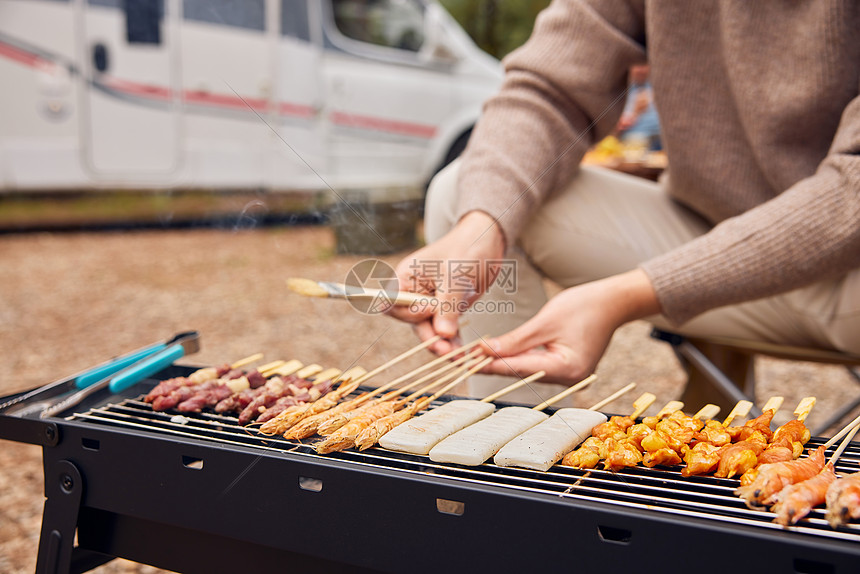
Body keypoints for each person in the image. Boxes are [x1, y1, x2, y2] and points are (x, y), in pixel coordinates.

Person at [387, 1, 860, 405]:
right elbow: (550, 89)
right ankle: (524, 470)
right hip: (715, 231)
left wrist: (626, 296)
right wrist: (481, 227)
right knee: (467, 195)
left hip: (849, 277)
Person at [616, 64, 661, 151]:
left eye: (644, 66)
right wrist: (635, 111)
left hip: (658, 139)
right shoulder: (620, 92)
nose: (641, 70)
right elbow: (615, 127)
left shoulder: (659, 88)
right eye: (637, 66)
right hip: (631, 141)